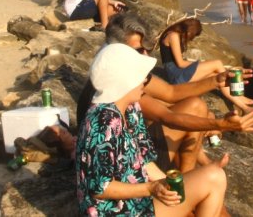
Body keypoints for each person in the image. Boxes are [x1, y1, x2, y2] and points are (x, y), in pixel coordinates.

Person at [76, 44, 228, 216]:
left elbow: (144, 163)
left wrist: (172, 186)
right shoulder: (101, 122)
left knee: (213, 177)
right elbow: (100, 188)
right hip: (115, 211)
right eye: (142, 76)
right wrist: (151, 188)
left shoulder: (130, 108)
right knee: (215, 178)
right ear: (126, 81)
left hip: (138, 201)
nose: (145, 81)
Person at [159, 18, 226, 85]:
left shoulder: (174, 34)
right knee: (218, 63)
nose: (191, 39)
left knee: (216, 75)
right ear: (189, 32)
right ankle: (234, 90)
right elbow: (181, 63)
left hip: (177, 73)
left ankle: (233, 95)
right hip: (176, 75)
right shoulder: (173, 36)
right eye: (193, 36)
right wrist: (200, 63)